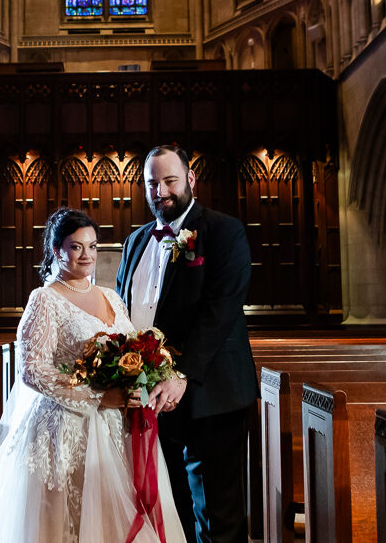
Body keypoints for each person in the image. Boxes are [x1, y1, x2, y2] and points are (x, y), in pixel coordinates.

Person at [0, 207, 186, 543]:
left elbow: (134, 354)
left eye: (92, 246)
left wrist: (146, 389)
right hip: (66, 428)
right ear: (56, 250)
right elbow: (33, 371)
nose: (86, 255)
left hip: (117, 427)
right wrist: (99, 397)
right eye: (76, 247)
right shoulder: (44, 299)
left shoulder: (112, 298)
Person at [116, 145, 257, 542]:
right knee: (171, 516)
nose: (160, 191)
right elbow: (121, 314)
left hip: (211, 398)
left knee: (217, 520)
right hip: (154, 403)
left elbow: (220, 311)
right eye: (152, 183)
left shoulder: (223, 231)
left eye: (170, 181)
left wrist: (181, 374)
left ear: (191, 180)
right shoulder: (136, 241)